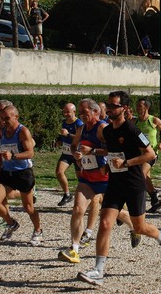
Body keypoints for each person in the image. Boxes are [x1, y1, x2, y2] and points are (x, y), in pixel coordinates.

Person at [77, 91, 161, 287]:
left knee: (139, 227)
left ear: (124, 109)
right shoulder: (108, 131)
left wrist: (126, 163)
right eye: (108, 106)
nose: (109, 109)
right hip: (115, 183)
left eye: (113, 106)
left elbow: (150, 154)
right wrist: (96, 153)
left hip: (133, 183)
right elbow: (111, 151)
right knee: (105, 223)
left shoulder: (132, 130)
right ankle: (98, 271)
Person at [58, 98, 137, 264]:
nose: (82, 115)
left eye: (84, 112)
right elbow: (74, 145)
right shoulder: (80, 129)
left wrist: (93, 151)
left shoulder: (102, 128)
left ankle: (134, 226)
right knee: (78, 209)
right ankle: (74, 249)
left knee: (116, 213)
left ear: (95, 112)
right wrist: (77, 154)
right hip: (87, 178)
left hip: (106, 177)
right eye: (80, 113)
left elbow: (114, 149)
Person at [0, 105, 42, 245]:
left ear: (16, 117)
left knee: (28, 207)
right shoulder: (2, 131)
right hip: (7, 173)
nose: (4, 121)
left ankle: (38, 230)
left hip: (23, 173)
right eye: (2, 118)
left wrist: (13, 156)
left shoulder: (23, 131)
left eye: (7, 118)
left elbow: (30, 153)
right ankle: (11, 223)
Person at [135, 98, 161, 213]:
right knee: (146, 178)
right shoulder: (135, 122)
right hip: (139, 154)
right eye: (137, 105)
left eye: (139, 105)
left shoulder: (153, 120)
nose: (137, 108)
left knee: (142, 174)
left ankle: (148, 199)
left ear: (146, 107)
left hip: (151, 154)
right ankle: (156, 201)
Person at [55, 103, 84, 206]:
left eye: (68, 112)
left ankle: (85, 199)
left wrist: (68, 134)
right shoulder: (64, 122)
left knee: (81, 179)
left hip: (77, 154)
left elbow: (81, 138)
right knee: (59, 172)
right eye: (64, 112)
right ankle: (67, 194)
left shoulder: (79, 123)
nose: (66, 114)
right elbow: (61, 135)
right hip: (66, 153)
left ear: (74, 112)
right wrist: (59, 140)